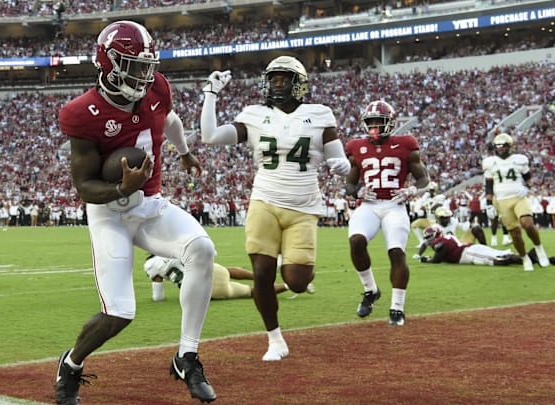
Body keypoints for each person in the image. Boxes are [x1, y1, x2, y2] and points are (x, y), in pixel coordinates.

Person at [56, 21, 216, 405]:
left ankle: (187, 357)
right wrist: (120, 189)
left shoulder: (158, 88)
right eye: (132, 65)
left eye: (146, 65)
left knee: (202, 251)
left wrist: (184, 151)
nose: (143, 75)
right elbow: (85, 187)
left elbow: (169, 119)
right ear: (107, 63)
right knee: (120, 313)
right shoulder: (82, 112)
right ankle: (72, 365)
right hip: (108, 211)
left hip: (149, 204)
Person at [199, 55, 351, 360]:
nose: (277, 84)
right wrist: (210, 96)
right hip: (264, 201)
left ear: (299, 84)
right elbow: (210, 136)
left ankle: (296, 265)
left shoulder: (320, 114)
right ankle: (274, 338)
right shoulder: (253, 114)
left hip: (303, 207)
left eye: (284, 79)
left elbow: (341, 159)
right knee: (262, 274)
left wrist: (341, 166)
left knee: (296, 281)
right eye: (273, 79)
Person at [344, 100, 430, 326]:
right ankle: (370, 290)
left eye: (378, 122)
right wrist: (359, 191)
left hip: (394, 205)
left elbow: (423, 178)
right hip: (369, 206)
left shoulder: (405, 144)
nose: (374, 127)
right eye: (370, 122)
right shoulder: (356, 147)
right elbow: (350, 185)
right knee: (356, 241)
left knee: (396, 252)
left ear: (390, 123)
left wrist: (411, 189)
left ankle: (397, 309)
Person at [482, 133, 549, 271]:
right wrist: (489, 204)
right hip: (502, 200)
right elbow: (488, 185)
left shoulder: (519, 160)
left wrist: (527, 188)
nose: (500, 149)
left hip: (519, 197)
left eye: (503, 146)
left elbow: (529, 179)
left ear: (510, 146)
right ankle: (525, 258)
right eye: (497, 146)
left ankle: (539, 248)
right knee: (515, 234)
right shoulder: (490, 162)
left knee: (528, 224)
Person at [143, 255, 315, 301]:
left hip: (204, 292)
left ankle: (288, 286)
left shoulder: (152, 265)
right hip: (210, 271)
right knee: (227, 270)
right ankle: (262, 275)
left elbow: (158, 297)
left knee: (253, 292)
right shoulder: (172, 246)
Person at [418, 225, 522, 266]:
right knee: (502, 253)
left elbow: (437, 258)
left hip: (469, 253)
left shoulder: (439, 241)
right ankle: (528, 257)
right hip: (471, 248)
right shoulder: (445, 237)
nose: (428, 240)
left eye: (429, 237)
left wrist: (427, 260)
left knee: (496, 260)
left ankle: (518, 259)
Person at [413, 206, 486, 259]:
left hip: (458, 245)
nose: (447, 220)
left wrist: (468, 225)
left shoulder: (453, 221)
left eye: (447, 217)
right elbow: (426, 242)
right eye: (444, 218)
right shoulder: (435, 227)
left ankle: (485, 249)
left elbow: (463, 226)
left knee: (476, 228)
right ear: (438, 218)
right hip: (447, 250)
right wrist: (418, 254)